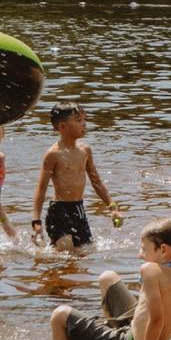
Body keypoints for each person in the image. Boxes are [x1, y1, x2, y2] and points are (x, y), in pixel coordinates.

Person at [50, 219, 171, 340]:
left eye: (144, 249)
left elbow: (157, 319)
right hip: (137, 327)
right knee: (107, 278)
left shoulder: (150, 270)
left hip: (132, 339)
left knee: (59, 315)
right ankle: (111, 329)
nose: (140, 255)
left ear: (163, 250)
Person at [32, 103, 122, 251]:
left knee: (84, 254)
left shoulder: (85, 151)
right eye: (79, 120)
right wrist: (36, 220)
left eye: (84, 119)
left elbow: (97, 182)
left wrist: (112, 207)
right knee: (67, 255)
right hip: (59, 211)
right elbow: (41, 189)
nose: (84, 123)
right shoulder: (53, 154)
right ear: (63, 127)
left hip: (78, 209)